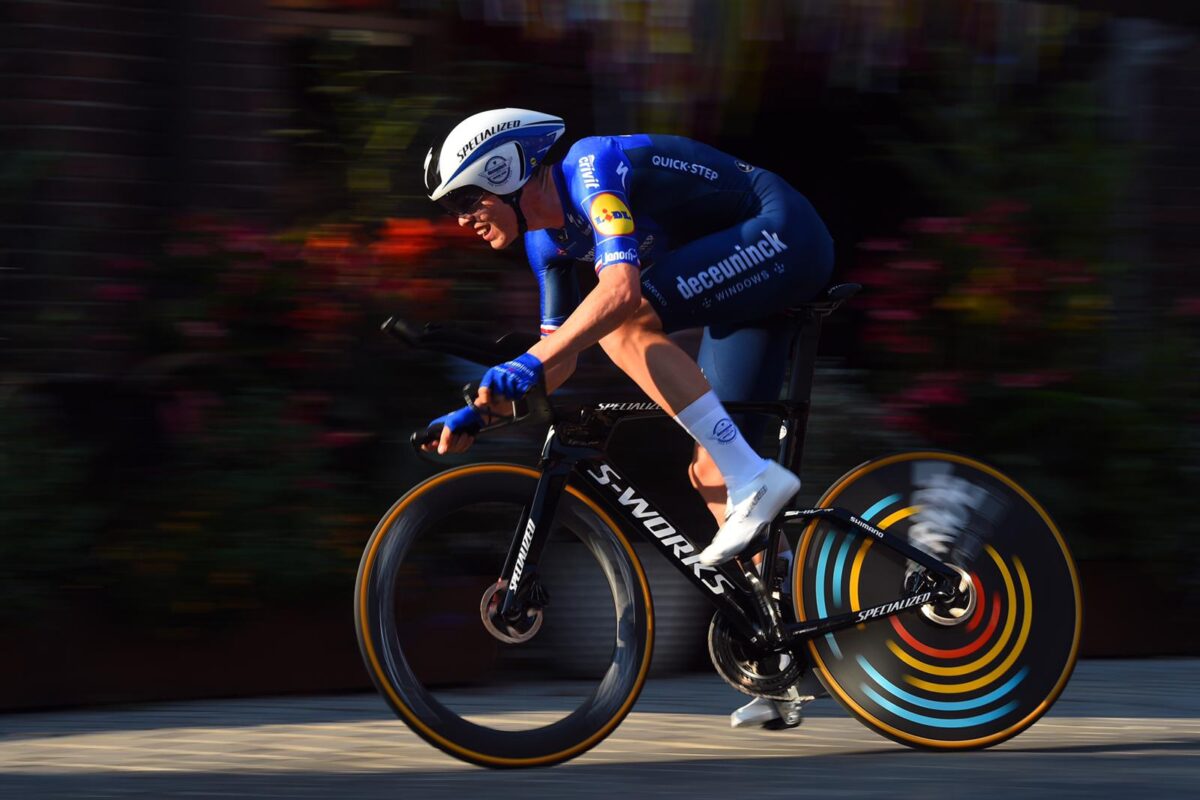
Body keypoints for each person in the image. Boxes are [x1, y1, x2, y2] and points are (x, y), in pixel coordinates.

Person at [421, 108, 834, 729]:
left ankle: (754, 474)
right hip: (746, 285)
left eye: (467, 198)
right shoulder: (547, 245)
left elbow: (617, 295)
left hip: (783, 234)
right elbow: (557, 361)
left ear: (504, 171)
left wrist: (529, 362)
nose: (462, 219)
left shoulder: (592, 167)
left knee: (626, 320)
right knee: (710, 473)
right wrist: (479, 410)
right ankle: (783, 660)